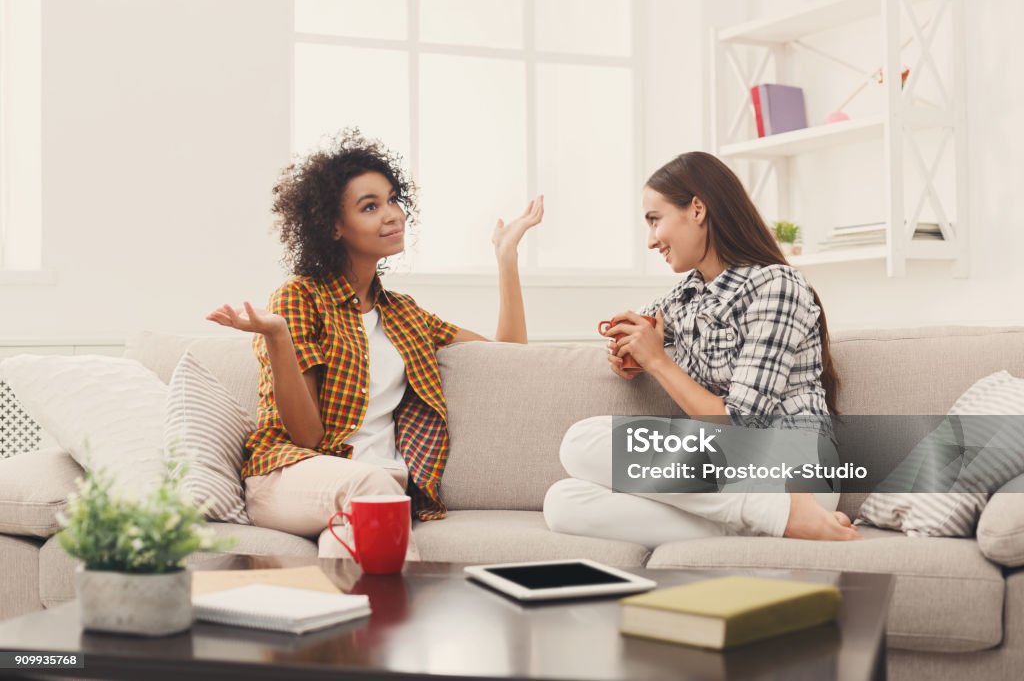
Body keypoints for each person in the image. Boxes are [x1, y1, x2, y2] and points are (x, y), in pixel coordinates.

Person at [207, 129, 543, 558]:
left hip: (378, 485)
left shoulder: (405, 314)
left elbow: (508, 358)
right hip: (293, 476)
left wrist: (506, 258)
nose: (392, 215)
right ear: (333, 226)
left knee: (350, 556)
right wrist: (277, 338)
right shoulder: (300, 297)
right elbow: (307, 435)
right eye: (370, 207)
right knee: (373, 496)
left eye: (391, 199)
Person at [542, 151, 861, 547]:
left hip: (793, 466)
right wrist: (627, 350)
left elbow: (744, 428)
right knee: (563, 503)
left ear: (696, 209)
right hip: (732, 482)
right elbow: (643, 325)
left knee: (579, 440)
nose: (651, 239)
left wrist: (658, 362)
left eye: (655, 220)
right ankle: (773, 520)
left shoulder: (777, 285)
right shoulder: (688, 295)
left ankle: (781, 511)